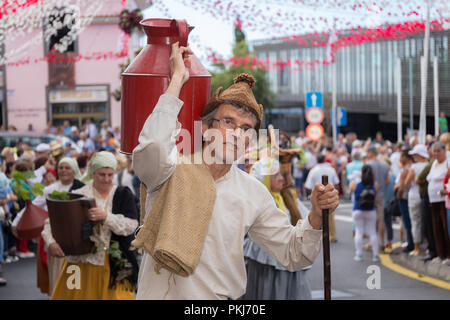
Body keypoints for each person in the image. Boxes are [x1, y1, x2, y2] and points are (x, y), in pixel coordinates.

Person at [131, 42, 339, 300]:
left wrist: (317, 217)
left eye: (246, 129)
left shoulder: (252, 192)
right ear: (206, 129)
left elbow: (293, 253)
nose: (237, 133)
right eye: (228, 122)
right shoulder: (170, 169)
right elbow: (151, 148)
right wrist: (176, 81)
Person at [50, 151, 139, 299]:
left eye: (110, 175)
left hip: (116, 263)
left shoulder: (123, 194)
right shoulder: (79, 194)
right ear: (93, 174)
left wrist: (106, 217)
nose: (106, 179)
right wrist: (52, 242)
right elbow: (53, 222)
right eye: (102, 174)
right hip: (81, 261)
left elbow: (132, 225)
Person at [240, 158, 312, 300]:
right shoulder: (258, 202)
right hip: (265, 259)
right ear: (265, 181)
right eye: (275, 176)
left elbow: (307, 219)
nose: (281, 179)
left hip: (288, 255)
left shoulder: (287, 197)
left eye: (280, 175)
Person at [23, 158, 85, 296]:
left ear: (74, 171)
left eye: (67, 167)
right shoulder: (49, 189)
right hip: (55, 241)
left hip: (75, 243)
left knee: (74, 282)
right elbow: (32, 207)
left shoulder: (82, 188)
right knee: (56, 279)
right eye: (61, 167)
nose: (63, 170)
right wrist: (16, 223)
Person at [304, 154, 340, 242]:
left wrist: (311, 195)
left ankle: (319, 236)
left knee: (316, 218)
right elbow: (337, 182)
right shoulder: (331, 169)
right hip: (329, 195)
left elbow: (308, 185)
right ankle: (332, 235)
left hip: (318, 197)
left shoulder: (313, 170)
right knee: (330, 217)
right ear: (324, 160)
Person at [426, 142, 450, 265]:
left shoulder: (448, 161)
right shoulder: (434, 163)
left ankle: (448, 255)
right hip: (433, 199)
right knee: (436, 227)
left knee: (446, 227)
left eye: (438, 151)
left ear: (444, 151)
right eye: (434, 151)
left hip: (443, 200)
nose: (436, 154)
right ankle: (441, 254)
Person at [404, 144, 429, 256]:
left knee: (415, 222)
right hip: (426, 195)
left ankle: (417, 248)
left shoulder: (414, 167)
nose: (413, 156)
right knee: (427, 221)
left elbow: (406, 183)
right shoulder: (429, 165)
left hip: (414, 195)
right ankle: (428, 246)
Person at [350, 165, 379, 262]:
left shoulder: (355, 183)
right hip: (371, 210)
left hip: (358, 209)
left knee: (359, 232)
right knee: (372, 232)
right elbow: (375, 195)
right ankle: (375, 255)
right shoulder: (374, 184)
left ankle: (359, 254)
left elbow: (351, 191)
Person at [367, 146, 390, 252]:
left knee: (371, 220)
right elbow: (388, 181)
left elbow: (366, 181)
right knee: (381, 220)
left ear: (371, 153)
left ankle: (372, 243)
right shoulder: (385, 165)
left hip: (370, 195)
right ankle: (381, 242)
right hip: (380, 194)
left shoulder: (368, 165)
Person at [395, 148, 414, 252]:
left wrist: (398, 195)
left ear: (406, 158)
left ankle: (411, 244)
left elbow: (401, 187)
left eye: (401, 156)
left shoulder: (406, 170)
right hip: (408, 197)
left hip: (404, 198)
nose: (400, 158)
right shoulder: (408, 168)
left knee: (407, 222)